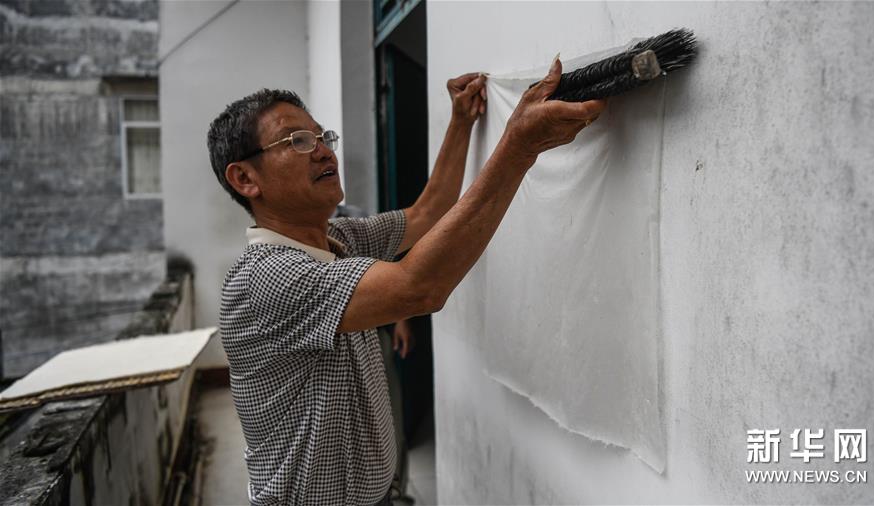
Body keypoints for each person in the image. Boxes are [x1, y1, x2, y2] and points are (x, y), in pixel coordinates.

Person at [207, 57, 606, 506]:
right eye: (297, 141)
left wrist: (461, 122)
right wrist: (519, 147)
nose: (323, 151)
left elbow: (427, 213)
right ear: (245, 178)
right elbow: (419, 287)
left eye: (322, 137)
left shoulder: (337, 238)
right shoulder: (265, 278)